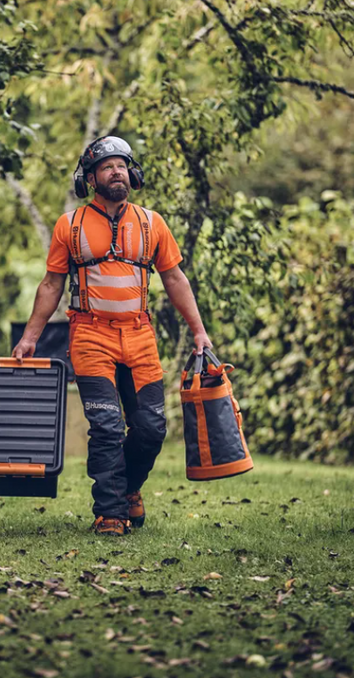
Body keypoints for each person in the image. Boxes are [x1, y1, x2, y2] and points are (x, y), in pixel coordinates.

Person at [11, 136, 212, 537]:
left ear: (132, 174)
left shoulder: (152, 223)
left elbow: (174, 278)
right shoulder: (69, 225)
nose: (116, 171)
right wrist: (30, 336)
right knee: (105, 427)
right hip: (89, 336)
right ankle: (110, 513)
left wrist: (199, 331)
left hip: (140, 336)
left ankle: (129, 488)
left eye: (122, 165)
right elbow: (51, 284)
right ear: (90, 178)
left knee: (152, 428)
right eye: (107, 167)